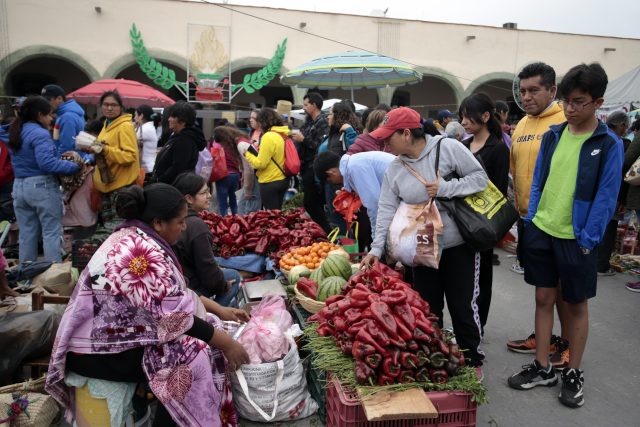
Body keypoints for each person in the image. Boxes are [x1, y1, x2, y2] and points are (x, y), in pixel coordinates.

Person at [46, 184, 249, 426]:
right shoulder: (139, 252)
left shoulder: (134, 236)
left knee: (208, 328)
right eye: (180, 222)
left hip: (108, 343)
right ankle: (183, 419)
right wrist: (228, 344)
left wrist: (219, 310)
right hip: (100, 355)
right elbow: (174, 318)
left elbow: (171, 297)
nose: (184, 227)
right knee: (194, 355)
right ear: (159, 223)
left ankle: (175, 416)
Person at [507, 63, 623, 409]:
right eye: (568, 102)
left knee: (575, 306)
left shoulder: (608, 143)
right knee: (543, 299)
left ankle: (573, 371)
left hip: (577, 238)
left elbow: (606, 195)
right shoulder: (554, 135)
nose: (571, 109)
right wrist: (533, 217)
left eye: (579, 102)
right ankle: (543, 366)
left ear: (597, 102)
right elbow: (540, 179)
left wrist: (589, 237)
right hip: (542, 228)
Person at [361, 107, 489, 370]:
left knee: (462, 307)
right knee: (427, 309)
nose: (384, 143)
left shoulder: (448, 148)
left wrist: (447, 188)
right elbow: (386, 209)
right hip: (419, 250)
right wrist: (376, 249)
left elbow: (480, 179)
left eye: (389, 138)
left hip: (458, 246)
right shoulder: (394, 168)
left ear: (406, 133)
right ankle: (438, 360)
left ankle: (472, 361)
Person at [506, 63, 570, 370]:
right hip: (528, 220)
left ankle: (566, 345)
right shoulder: (521, 126)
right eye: (523, 91)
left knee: (563, 292)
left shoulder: (564, 121)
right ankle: (547, 339)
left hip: (557, 222)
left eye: (534, 90)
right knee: (544, 289)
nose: (527, 97)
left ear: (552, 91)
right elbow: (515, 171)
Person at [459, 93, 510, 333]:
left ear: (486, 116)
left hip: (482, 222)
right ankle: (465, 325)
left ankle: (478, 327)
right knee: (462, 277)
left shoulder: (497, 149)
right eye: (462, 117)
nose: (464, 121)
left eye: (468, 116)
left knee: (481, 279)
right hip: (460, 221)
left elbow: (498, 192)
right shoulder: (463, 146)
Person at [7, 96, 80, 263]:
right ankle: (53, 276)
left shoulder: (16, 129)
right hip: (41, 186)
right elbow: (47, 163)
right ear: (40, 115)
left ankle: (26, 276)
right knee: (51, 232)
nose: (51, 118)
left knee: (26, 233)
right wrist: (74, 166)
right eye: (49, 115)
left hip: (19, 186)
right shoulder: (39, 133)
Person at [172, 173, 250, 314]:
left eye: (208, 191)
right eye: (204, 193)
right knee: (234, 276)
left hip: (182, 281)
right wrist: (224, 285)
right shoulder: (197, 226)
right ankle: (215, 315)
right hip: (190, 287)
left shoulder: (176, 220)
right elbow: (208, 272)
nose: (209, 196)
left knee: (221, 272)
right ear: (189, 198)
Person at [314, 150, 395, 249]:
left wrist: (377, 244)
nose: (332, 183)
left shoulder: (354, 168)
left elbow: (374, 207)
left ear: (331, 173)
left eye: (329, 180)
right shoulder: (353, 164)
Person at [86, 91, 140, 219]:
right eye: (106, 104)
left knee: (116, 228)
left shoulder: (125, 126)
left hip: (120, 187)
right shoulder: (107, 124)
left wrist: (104, 149)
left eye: (114, 105)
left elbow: (130, 156)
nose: (109, 108)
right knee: (108, 228)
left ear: (121, 107)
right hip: (107, 185)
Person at [596, 111, 631, 276]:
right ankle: (601, 265)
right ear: (621, 125)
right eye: (626, 126)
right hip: (609, 194)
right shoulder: (616, 142)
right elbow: (618, 173)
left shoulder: (599, 136)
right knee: (608, 229)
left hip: (593, 193)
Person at [291, 93, 331, 231]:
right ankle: (322, 231)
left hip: (314, 167)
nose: (304, 107)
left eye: (306, 104)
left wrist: (303, 140)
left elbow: (320, 145)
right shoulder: (309, 122)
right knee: (310, 202)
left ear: (314, 105)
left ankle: (327, 230)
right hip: (305, 166)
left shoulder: (323, 122)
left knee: (311, 203)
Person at [237, 108, 290, 210]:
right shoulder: (282, 134)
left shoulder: (268, 136)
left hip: (270, 181)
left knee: (272, 216)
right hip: (283, 178)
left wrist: (247, 153)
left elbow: (260, 164)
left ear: (263, 121)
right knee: (278, 214)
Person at [152, 101, 206, 184]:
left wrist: (159, 180)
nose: (169, 119)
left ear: (183, 121)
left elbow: (177, 168)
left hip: (174, 188)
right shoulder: (180, 136)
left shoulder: (184, 140)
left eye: (173, 116)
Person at [41, 84, 89, 161]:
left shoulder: (67, 117)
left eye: (48, 100)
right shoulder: (68, 113)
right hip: (75, 161)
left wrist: (58, 164)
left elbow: (67, 147)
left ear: (59, 98)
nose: (46, 104)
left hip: (69, 163)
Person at [212, 126, 245, 215]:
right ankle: (235, 216)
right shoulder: (233, 145)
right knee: (232, 197)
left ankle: (224, 220)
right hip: (235, 175)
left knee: (222, 200)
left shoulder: (217, 146)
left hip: (223, 175)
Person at [238, 109, 263, 214]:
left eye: (254, 118)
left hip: (257, 174)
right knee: (243, 203)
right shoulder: (251, 132)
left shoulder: (265, 134)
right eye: (250, 118)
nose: (251, 120)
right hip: (249, 172)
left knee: (252, 204)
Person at [134, 104, 158, 174]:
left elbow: (129, 139)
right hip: (147, 167)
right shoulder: (147, 127)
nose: (134, 118)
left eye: (135, 115)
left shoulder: (146, 128)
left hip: (146, 169)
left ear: (141, 116)